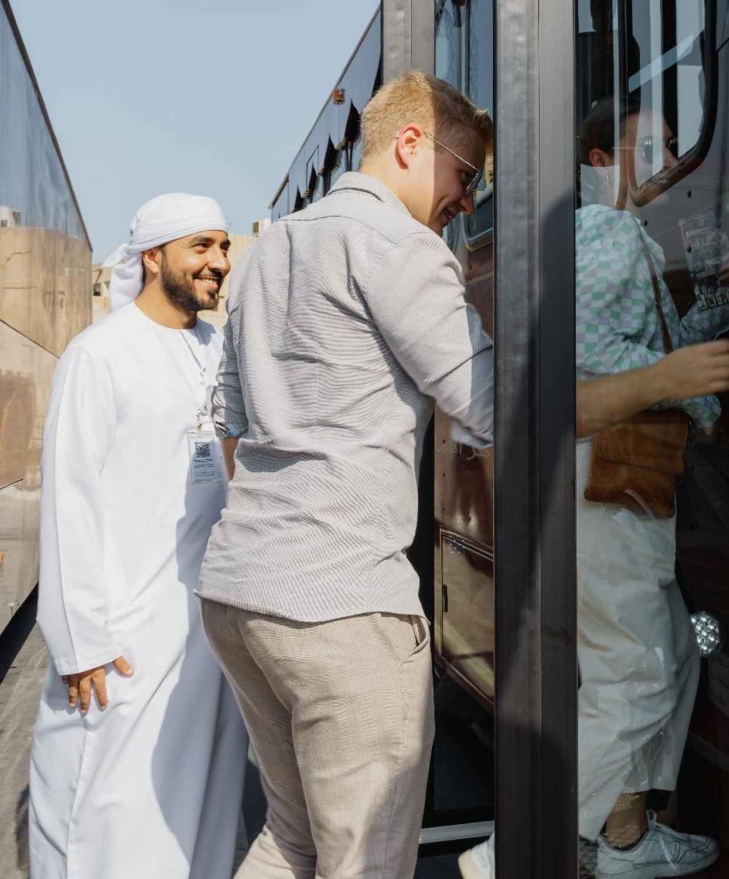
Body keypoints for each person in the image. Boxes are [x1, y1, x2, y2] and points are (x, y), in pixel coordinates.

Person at [200, 70, 495, 879]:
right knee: (363, 862)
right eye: (465, 174)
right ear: (410, 144)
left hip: (240, 592)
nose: (466, 200)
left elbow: (231, 424)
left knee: (290, 841)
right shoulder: (401, 247)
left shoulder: (270, 252)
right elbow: (491, 406)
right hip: (339, 609)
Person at [459, 99, 729, 879]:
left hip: (605, 472)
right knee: (639, 668)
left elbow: (629, 345)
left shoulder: (608, 236)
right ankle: (516, 849)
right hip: (608, 470)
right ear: (596, 159)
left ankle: (622, 836)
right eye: (644, 145)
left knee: (672, 653)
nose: (664, 158)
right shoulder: (612, 231)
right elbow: (586, 352)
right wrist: (695, 391)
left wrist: (716, 306)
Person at [28, 194, 247, 879]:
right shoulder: (99, 355)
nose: (218, 261)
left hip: (205, 636)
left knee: (205, 816)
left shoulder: (218, 350)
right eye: (200, 246)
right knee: (108, 818)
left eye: (222, 246)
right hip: (121, 642)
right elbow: (69, 500)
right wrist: (81, 641)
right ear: (153, 257)